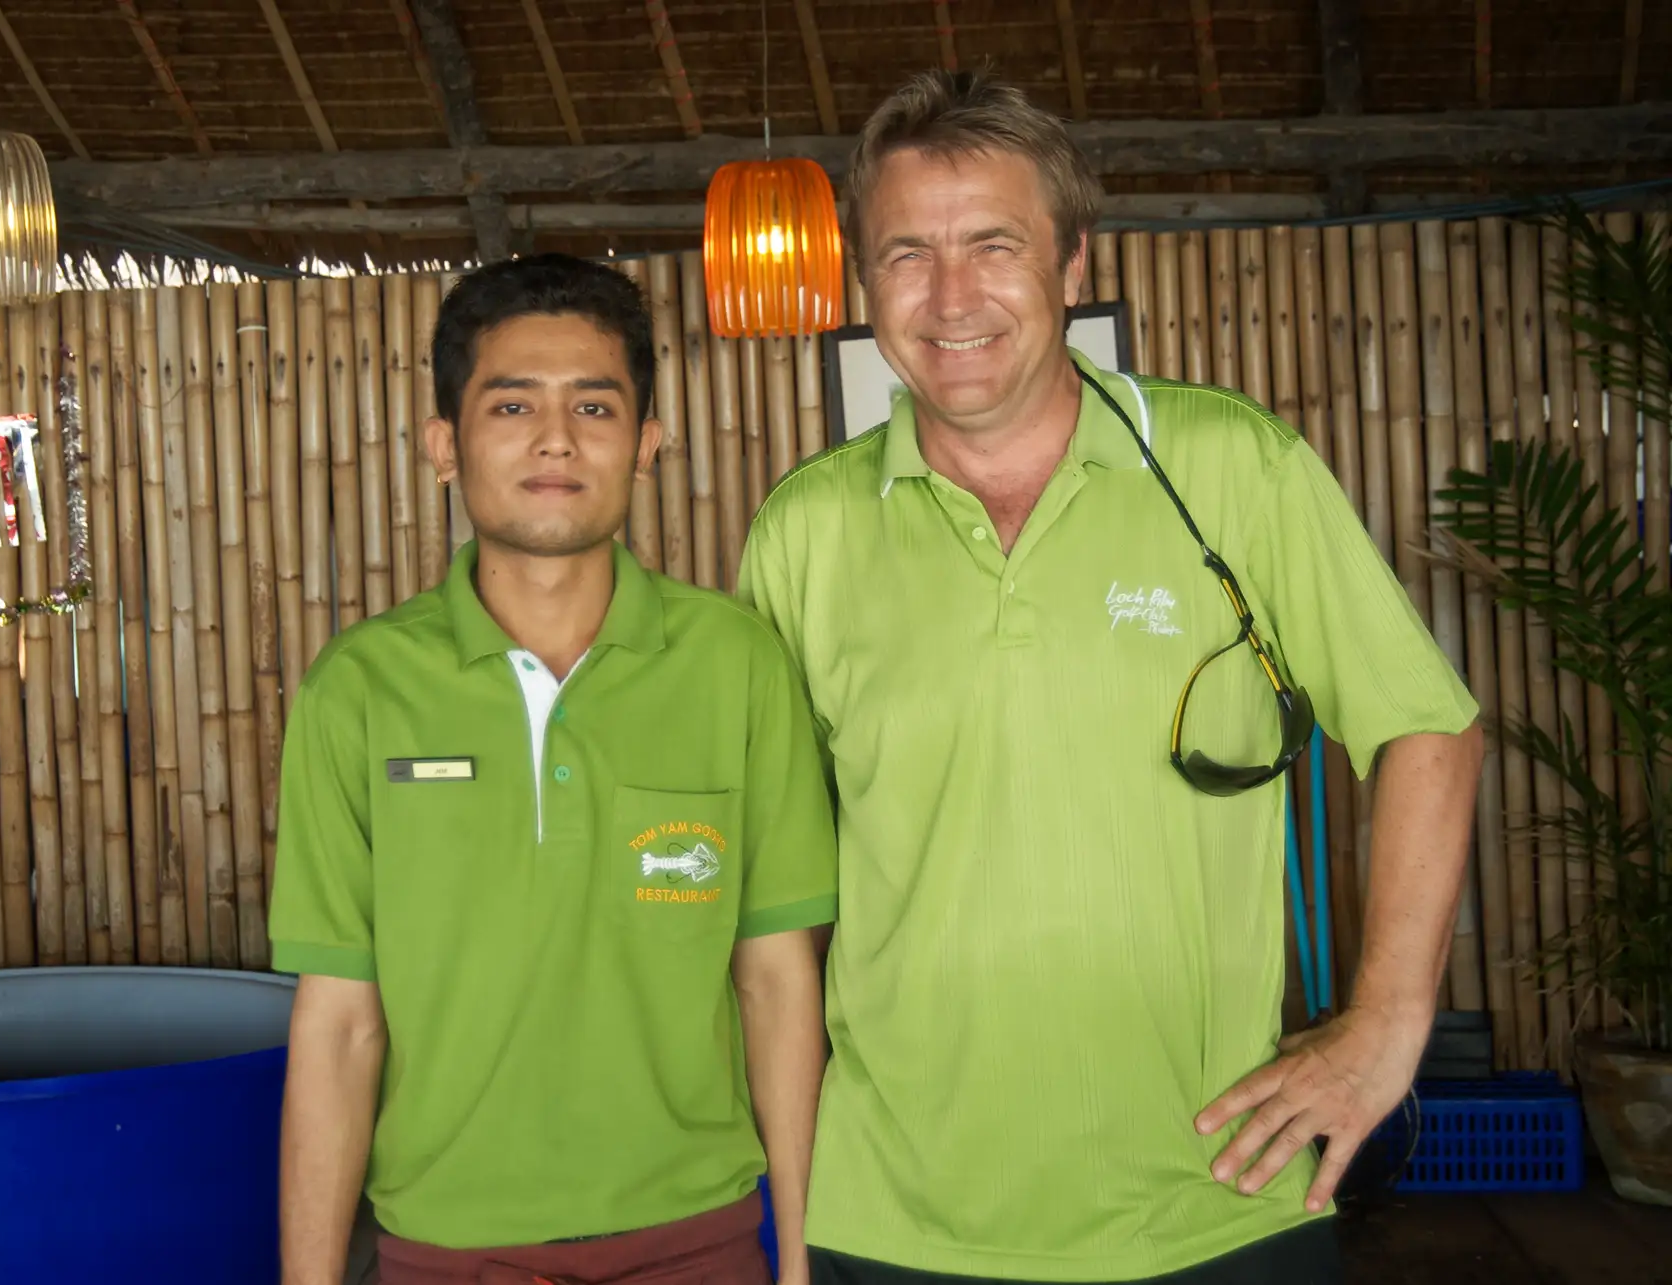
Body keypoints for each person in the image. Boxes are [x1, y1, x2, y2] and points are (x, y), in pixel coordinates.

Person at [737, 69, 1485, 1285]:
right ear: (867, 281)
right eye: (908, 254)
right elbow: (773, 889)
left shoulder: (1233, 466)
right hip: (892, 1213)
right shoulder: (804, 532)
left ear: (1072, 265)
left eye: (994, 245)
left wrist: (1387, 1021)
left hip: (1217, 1198)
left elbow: (1428, 728)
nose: (951, 296)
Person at [269, 253, 838, 1285]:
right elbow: (340, 1023)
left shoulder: (737, 665)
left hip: (697, 1243)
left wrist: (798, 1263)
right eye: (511, 405)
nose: (555, 438)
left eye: (594, 406)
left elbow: (776, 982)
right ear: (444, 446)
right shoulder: (358, 690)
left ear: (647, 444)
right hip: (443, 1254)